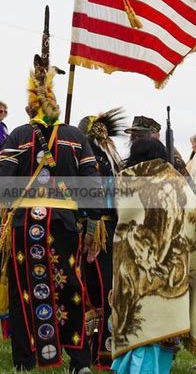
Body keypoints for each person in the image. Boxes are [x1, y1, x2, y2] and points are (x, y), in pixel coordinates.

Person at [0, 53, 102, 373]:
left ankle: (25, 361)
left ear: (30, 105)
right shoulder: (75, 137)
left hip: (26, 226)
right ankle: (79, 362)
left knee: (24, 288)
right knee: (69, 287)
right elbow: (92, 184)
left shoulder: (17, 136)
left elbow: (2, 186)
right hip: (64, 224)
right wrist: (93, 221)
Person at [112, 138, 196, 374]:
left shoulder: (125, 181)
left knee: (134, 326)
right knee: (157, 332)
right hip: (164, 269)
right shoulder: (181, 185)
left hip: (133, 269)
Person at [78, 108, 126, 369]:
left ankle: (100, 349)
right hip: (94, 230)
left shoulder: (107, 161)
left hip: (105, 230)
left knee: (101, 289)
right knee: (97, 289)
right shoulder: (94, 159)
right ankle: (94, 350)